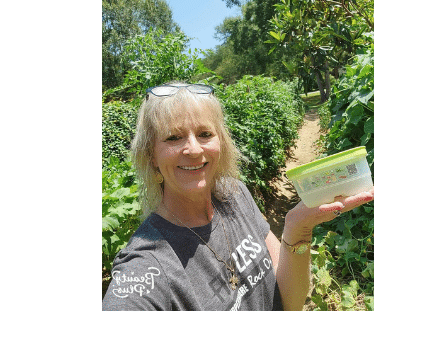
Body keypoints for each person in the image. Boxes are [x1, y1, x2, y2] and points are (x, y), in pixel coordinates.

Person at [102, 82, 374, 311]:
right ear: (151, 156)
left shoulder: (234, 195)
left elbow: (289, 301)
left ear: (221, 142)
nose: (194, 149)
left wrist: (298, 228)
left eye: (205, 133)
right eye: (173, 138)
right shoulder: (148, 265)